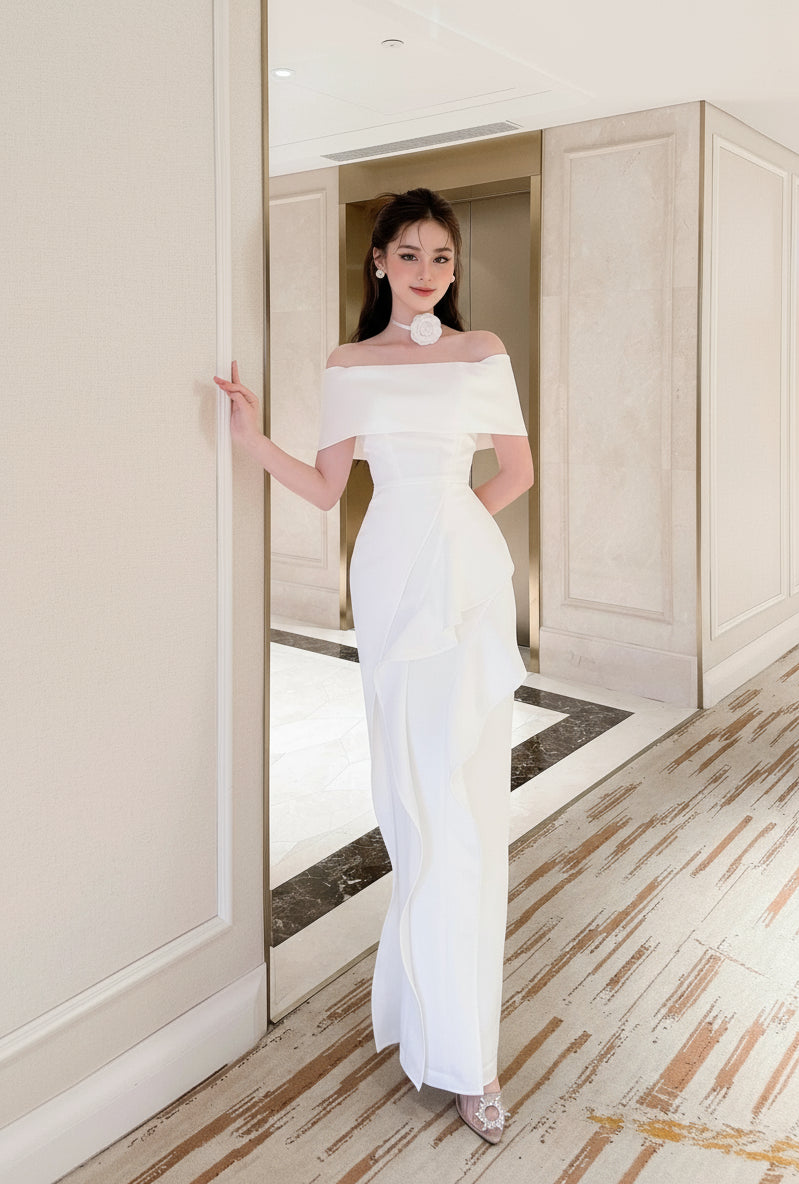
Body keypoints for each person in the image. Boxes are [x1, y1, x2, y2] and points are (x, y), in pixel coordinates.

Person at [214, 187, 533, 1144]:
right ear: (379, 263)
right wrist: (250, 437)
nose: (428, 273)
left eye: (443, 257)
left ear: (453, 267)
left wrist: (454, 541)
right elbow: (322, 488)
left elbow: (515, 472)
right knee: (411, 808)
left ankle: (471, 1059)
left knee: (469, 814)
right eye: (411, 255)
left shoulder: (483, 355)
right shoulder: (349, 364)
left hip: (461, 577)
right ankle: (418, 1018)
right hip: (391, 581)